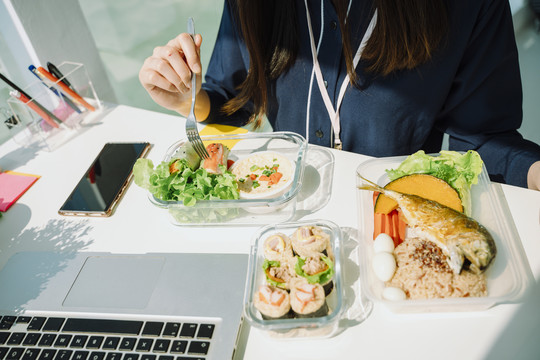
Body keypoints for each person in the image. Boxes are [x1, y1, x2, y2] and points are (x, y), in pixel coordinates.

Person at [139, 0, 540, 190]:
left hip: (392, 217)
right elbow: (238, 99)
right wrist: (187, 99)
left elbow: (484, 141)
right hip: (274, 207)